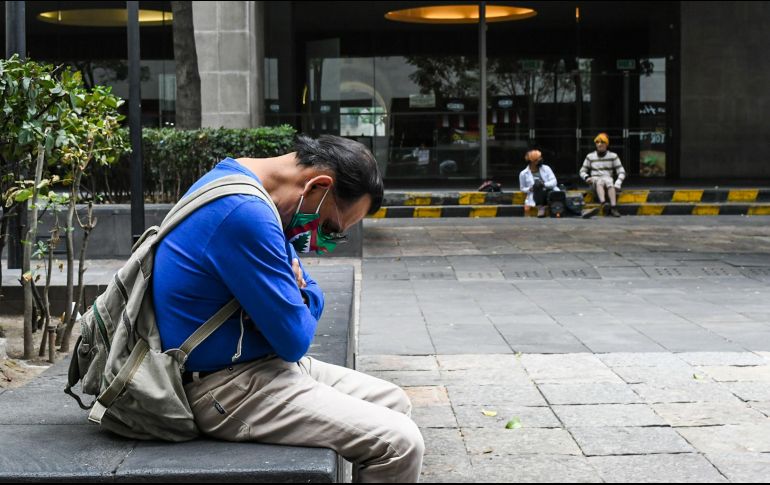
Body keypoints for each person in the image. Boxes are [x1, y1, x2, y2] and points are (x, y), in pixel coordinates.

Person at [152, 134, 424, 483]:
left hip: (259, 368)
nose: (324, 241)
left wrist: (303, 296)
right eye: (330, 227)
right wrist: (304, 299)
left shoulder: (246, 183)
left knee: (393, 401)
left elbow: (304, 289)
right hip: (220, 389)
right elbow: (295, 339)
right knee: (400, 443)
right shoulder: (246, 214)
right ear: (318, 186)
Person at [579, 133, 626, 218]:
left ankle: (613, 207)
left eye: (602, 142)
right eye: (597, 142)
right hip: (595, 181)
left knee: (608, 180)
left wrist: (618, 182)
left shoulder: (613, 156)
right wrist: (586, 177)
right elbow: (582, 171)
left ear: (606, 144)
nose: (599, 144)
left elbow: (621, 171)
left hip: (608, 181)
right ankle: (603, 203)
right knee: (600, 181)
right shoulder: (590, 156)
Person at [519, 149, 560, 218]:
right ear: (532, 161)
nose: (541, 159)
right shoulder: (523, 173)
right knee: (537, 184)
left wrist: (544, 184)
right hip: (536, 194)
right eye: (538, 159)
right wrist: (530, 189)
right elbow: (522, 188)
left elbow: (554, 182)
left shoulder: (546, 168)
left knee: (539, 184)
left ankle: (546, 208)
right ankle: (540, 207)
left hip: (548, 191)